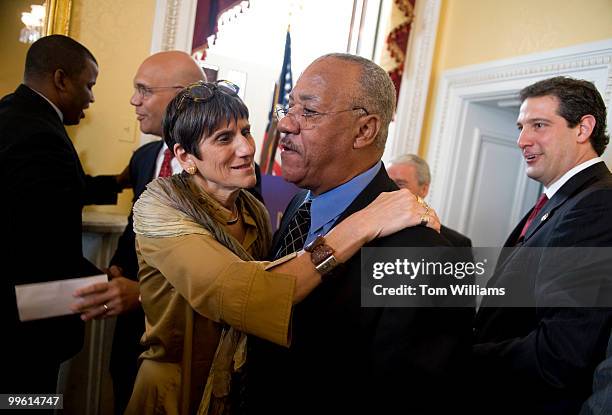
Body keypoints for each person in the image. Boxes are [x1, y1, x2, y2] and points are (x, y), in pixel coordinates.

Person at [123, 80, 433, 414]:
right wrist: (360, 225)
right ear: (185, 156)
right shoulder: (161, 205)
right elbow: (249, 293)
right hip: (178, 395)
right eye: (224, 138)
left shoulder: (427, 247)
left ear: (365, 130)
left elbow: (418, 385)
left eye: (246, 131)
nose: (246, 148)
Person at [247, 53, 474, 414]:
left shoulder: (426, 257)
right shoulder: (299, 205)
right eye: (288, 109)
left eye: (308, 112)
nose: (286, 125)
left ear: (364, 130)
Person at [70, 50, 209, 414]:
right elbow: (135, 228)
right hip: (130, 337)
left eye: (144, 90)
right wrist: (117, 267)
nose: (134, 100)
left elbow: (224, 270)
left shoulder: (226, 165)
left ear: (182, 96)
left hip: (184, 341)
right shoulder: (145, 158)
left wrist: (144, 295)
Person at [473, 76, 612, 414]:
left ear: (583, 128)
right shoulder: (561, 200)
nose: (522, 140)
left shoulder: (597, 205)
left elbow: (560, 353)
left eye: (539, 125)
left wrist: (457, 355)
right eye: (521, 126)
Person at [0, 35, 127, 394]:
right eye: (89, 85)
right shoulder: (41, 136)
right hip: (23, 329)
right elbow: (38, 248)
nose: (92, 97)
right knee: (26, 403)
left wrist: (117, 182)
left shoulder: (12, 113)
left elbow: (56, 189)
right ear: (61, 79)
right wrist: (103, 282)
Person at [388, 153, 472, 247]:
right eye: (388, 182)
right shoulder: (372, 226)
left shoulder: (457, 244)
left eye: (400, 184)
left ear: (424, 189)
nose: (390, 189)